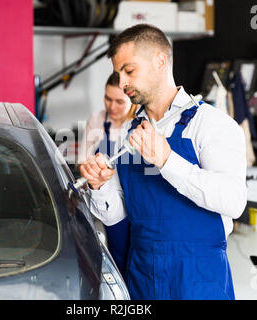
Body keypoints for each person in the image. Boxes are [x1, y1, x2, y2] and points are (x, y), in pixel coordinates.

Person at [79, 24, 247, 300]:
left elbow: (233, 201)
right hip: (142, 275)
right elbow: (117, 215)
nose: (122, 84)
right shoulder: (126, 135)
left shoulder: (212, 125)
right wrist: (101, 187)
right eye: (118, 74)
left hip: (197, 278)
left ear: (160, 61)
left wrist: (167, 160)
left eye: (129, 71)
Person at [77, 72, 137, 277]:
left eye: (120, 101)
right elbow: (82, 160)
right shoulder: (97, 120)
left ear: (132, 98)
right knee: (115, 262)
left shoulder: (139, 124)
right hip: (108, 203)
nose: (112, 107)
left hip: (136, 205)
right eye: (108, 99)